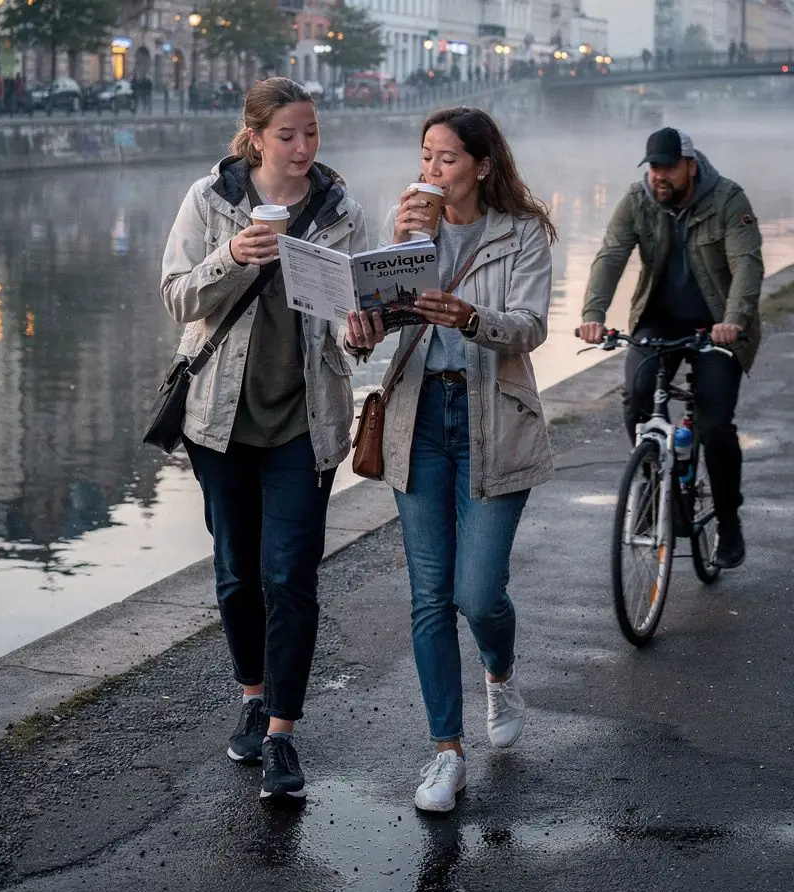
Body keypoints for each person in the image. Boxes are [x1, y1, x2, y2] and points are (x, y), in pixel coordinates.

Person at [160, 77, 367, 803]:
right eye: (288, 135)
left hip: (306, 422)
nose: (304, 148)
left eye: (312, 133)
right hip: (219, 420)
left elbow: (354, 320)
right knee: (237, 573)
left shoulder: (341, 209)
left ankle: (281, 731)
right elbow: (177, 296)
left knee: (291, 575)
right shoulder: (209, 201)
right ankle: (253, 695)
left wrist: (363, 325)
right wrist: (233, 259)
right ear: (254, 138)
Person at [346, 107, 555, 813]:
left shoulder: (522, 233)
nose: (429, 172)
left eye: (445, 160)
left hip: (493, 419)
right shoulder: (407, 229)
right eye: (425, 157)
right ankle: (446, 754)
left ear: (482, 166)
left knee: (478, 594)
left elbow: (530, 326)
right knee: (430, 596)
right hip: (419, 418)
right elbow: (373, 337)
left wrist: (467, 317)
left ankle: (499, 668)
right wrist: (361, 323)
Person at [578, 126, 763, 570]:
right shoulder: (638, 200)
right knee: (636, 398)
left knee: (715, 423)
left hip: (717, 324)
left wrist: (734, 322)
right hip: (658, 320)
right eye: (653, 167)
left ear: (691, 167)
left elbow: (747, 265)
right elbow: (610, 256)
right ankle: (650, 486)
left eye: (667, 167)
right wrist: (593, 315)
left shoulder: (727, 199)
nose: (658, 176)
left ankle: (729, 520)